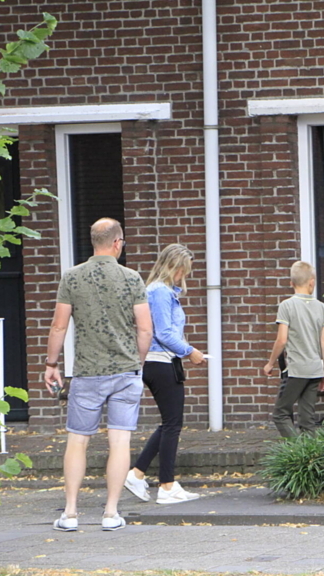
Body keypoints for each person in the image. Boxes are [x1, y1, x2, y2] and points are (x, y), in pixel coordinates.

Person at [44, 218, 153, 532]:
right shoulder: (132, 279)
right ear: (117, 243)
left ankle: (70, 513)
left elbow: (59, 326)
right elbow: (145, 329)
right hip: (125, 371)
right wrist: (138, 362)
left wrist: (52, 365)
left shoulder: (72, 278)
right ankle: (110, 513)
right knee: (120, 441)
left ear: (94, 242)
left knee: (77, 441)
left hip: (87, 373)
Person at [123, 244, 206, 505]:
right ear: (177, 267)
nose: (185, 275)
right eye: (185, 270)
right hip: (160, 361)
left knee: (170, 422)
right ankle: (167, 486)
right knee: (172, 424)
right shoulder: (160, 292)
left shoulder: (162, 291)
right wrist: (190, 351)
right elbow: (164, 332)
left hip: (160, 361)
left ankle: (137, 474)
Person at [262, 261, 324, 437]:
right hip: (315, 370)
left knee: (280, 414)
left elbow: (282, 339)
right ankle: (312, 459)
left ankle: (296, 451)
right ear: (312, 282)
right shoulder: (321, 307)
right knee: (307, 420)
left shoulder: (287, 305)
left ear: (291, 283)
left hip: (295, 370)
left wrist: (270, 363)